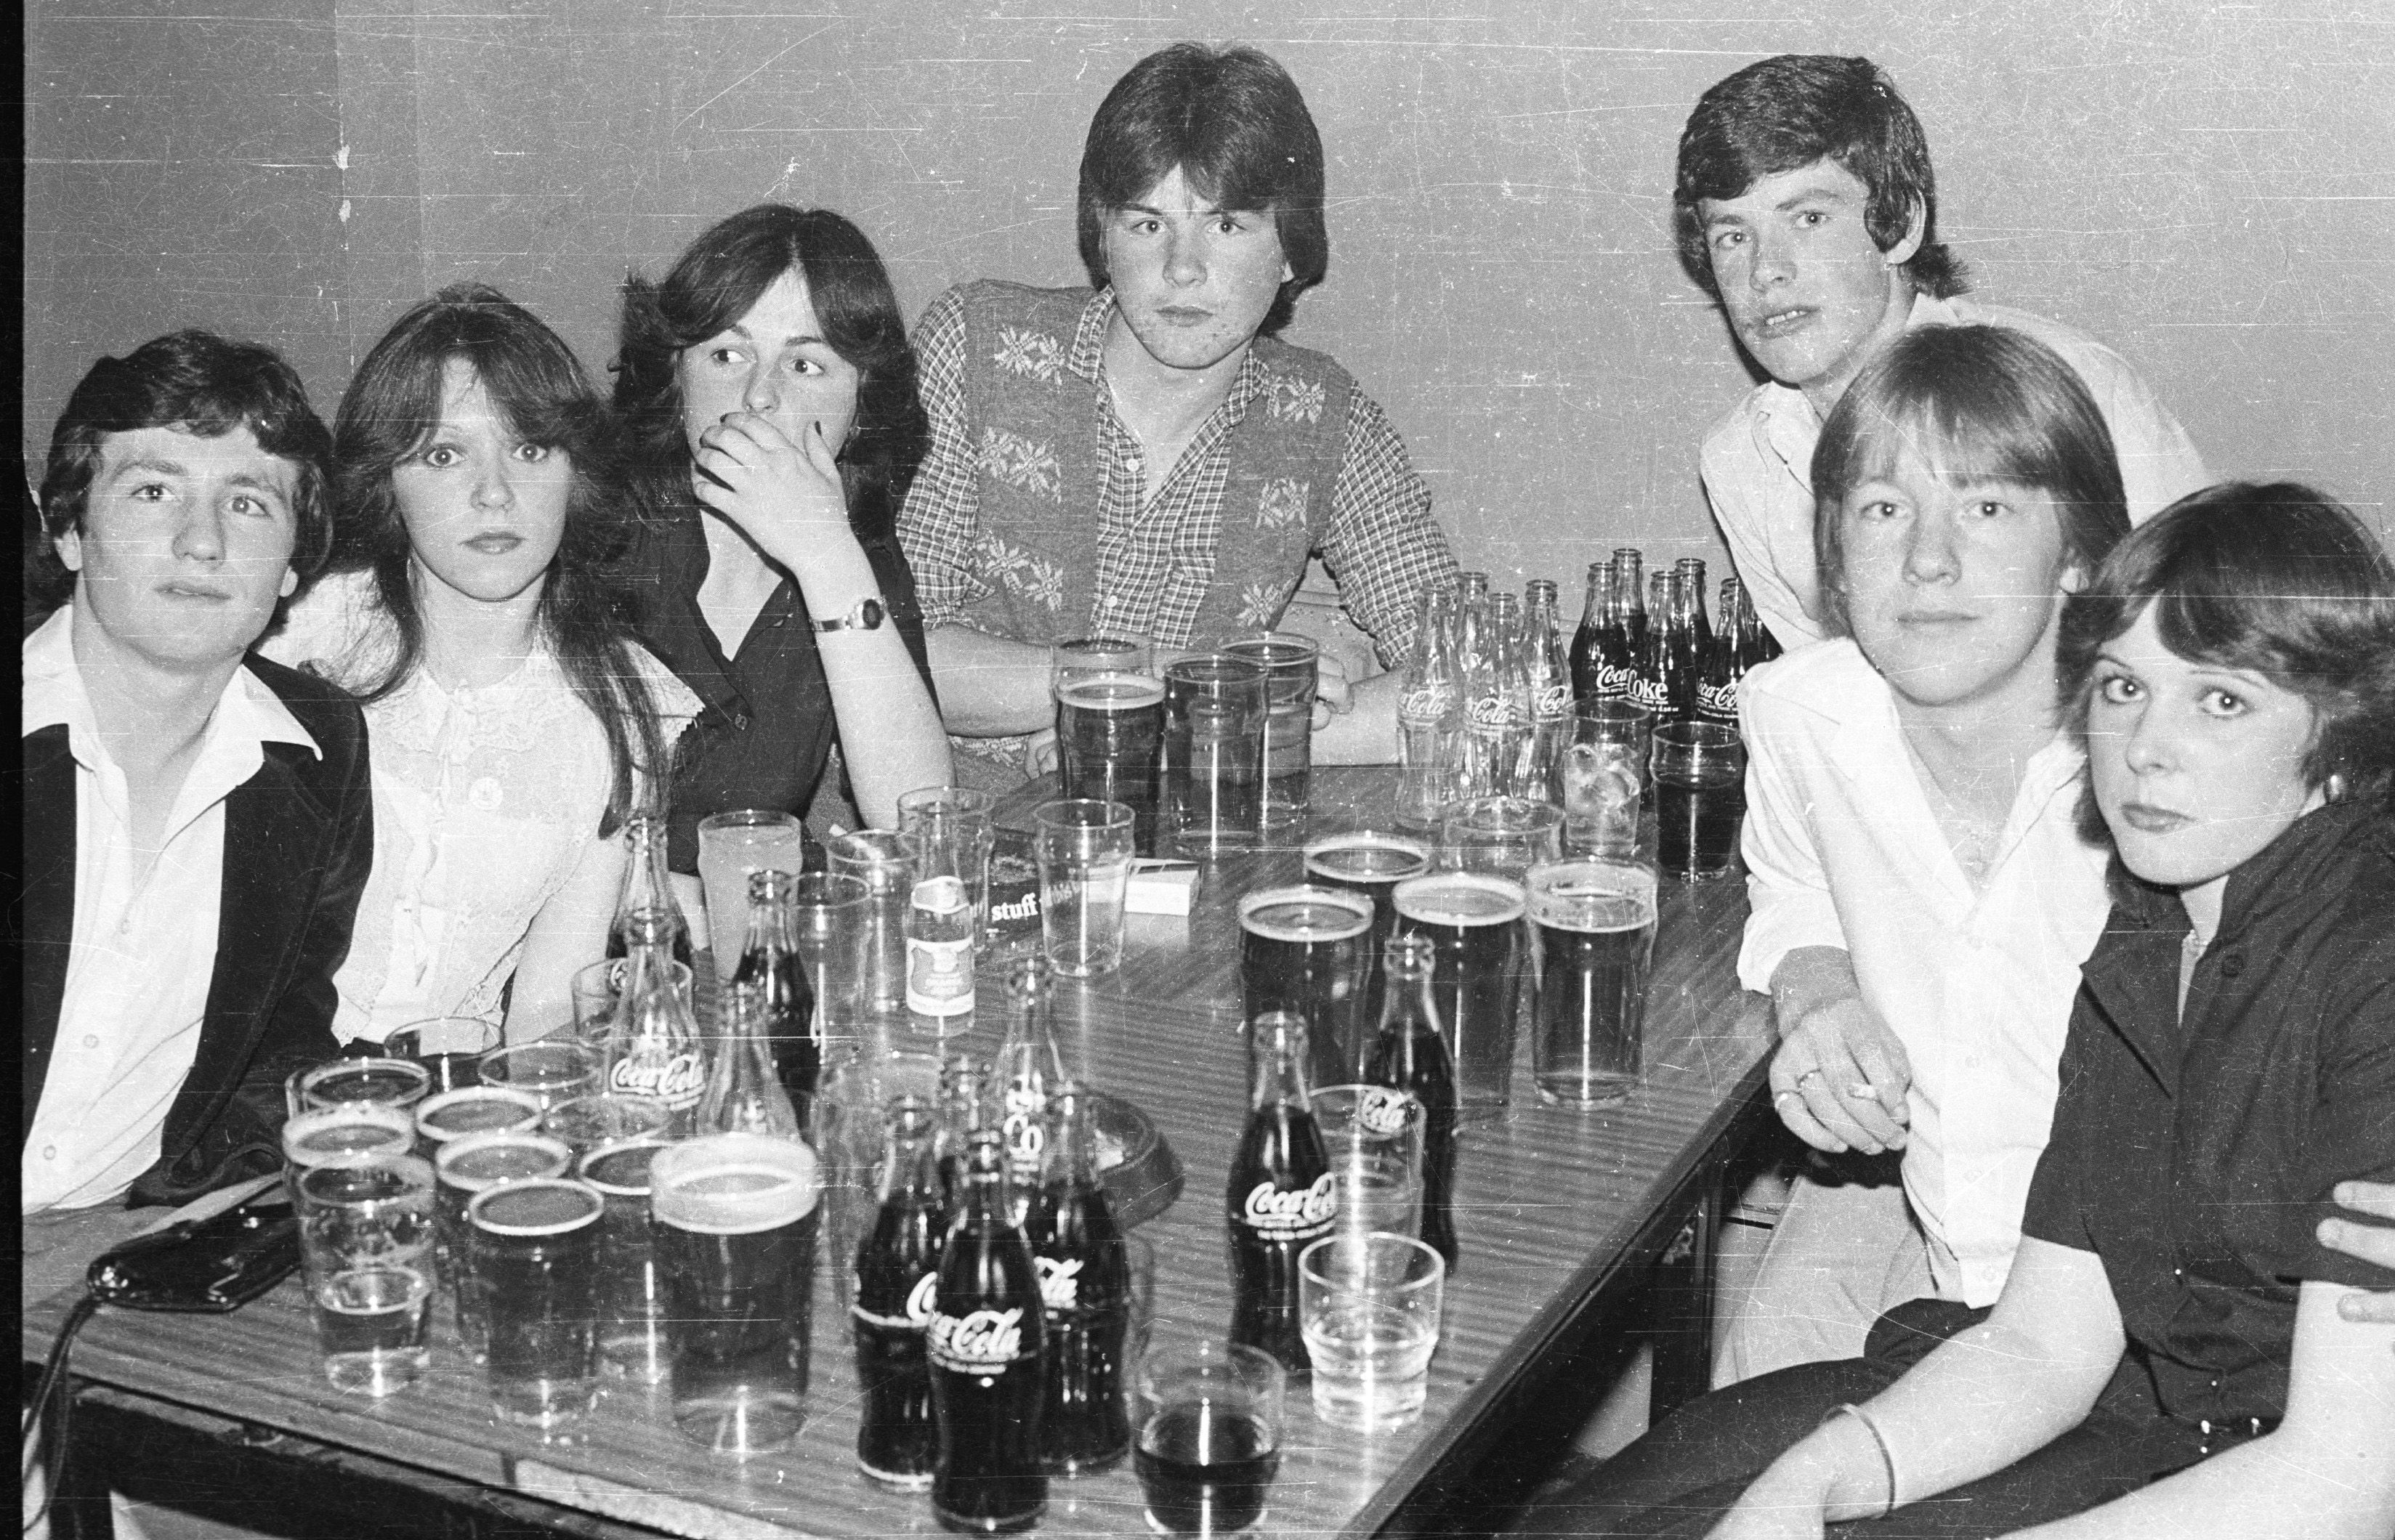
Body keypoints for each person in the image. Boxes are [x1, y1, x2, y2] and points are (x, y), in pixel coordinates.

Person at [1508, 483, 2395, 1538]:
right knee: (1609, 1520)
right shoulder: (2156, 925)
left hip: (2284, 1484)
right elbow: (2045, 1345)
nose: (2146, 748)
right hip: (2140, 1408)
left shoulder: (2370, 971)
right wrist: (1814, 1483)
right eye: (2121, 688)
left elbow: (2341, 1484)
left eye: (2221, 701)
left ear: (2341, 732)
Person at [1717, 323, 2130, 1385]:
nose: (1927, 560)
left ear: (2080, 556)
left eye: (1986, 508)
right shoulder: (1802, 717)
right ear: (1837, 562)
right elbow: (1796, 882)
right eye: (1884, 510)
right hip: (1953, 1278)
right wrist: (1817, 990)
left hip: (2151, 1323)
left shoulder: (2161, 773)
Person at [896, 41, 1458, 785]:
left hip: (1182, 833)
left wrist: (1199, 735)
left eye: (1225, 225)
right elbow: (894, 655)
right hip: (943, 810)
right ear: (1101, 234)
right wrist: (1158, 679)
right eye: (1147, 223)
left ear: (1292, 250)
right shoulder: (975, 348)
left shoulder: (1327, 421)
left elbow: (1466, 671)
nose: (1181, 268)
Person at [262, 285, 696, 1042]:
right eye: (443, 453)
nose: (494, 493)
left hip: (451, 1099)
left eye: (530, 449)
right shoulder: (299, 631)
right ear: (387, 481)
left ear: (577, 473)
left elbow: (546, 1011)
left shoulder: (626, 706)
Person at [1676, 54, 2210, 652]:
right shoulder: (1742, 458)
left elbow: (2203, 641)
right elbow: (1831, 698)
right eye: (1732, 236)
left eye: (1809, 218)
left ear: (1900, 226)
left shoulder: (2073, 384)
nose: (1764, 271)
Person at [22, 330, 371, 1218]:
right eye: (152, 490)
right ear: (69, 528)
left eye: (248, 503)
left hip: (117, 1249)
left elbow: (275, 1047)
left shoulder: (319, 750)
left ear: (294, 564)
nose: (201, 543)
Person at [614, 203, 950, 872]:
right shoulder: (599, 532)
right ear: (676, 377)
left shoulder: (858, 555)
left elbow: (922, 828)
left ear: (861, 400)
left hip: (759, 927)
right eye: (727, 354)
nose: (758, 395)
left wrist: (827, 559)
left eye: (805, 365)